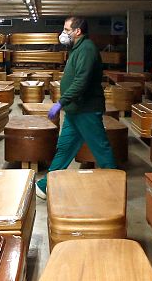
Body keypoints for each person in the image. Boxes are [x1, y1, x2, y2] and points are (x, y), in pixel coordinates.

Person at [36, 16, 116, 199]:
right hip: (75, 110)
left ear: (77, 31)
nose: (63, 34)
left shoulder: (87, 49)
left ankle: (114, 186)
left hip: (86, 109)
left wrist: (61, 102)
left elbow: (82, 81)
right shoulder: (76, 48)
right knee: (64, 148)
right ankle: (45, 185)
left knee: (100, 148)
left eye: (66, 30)